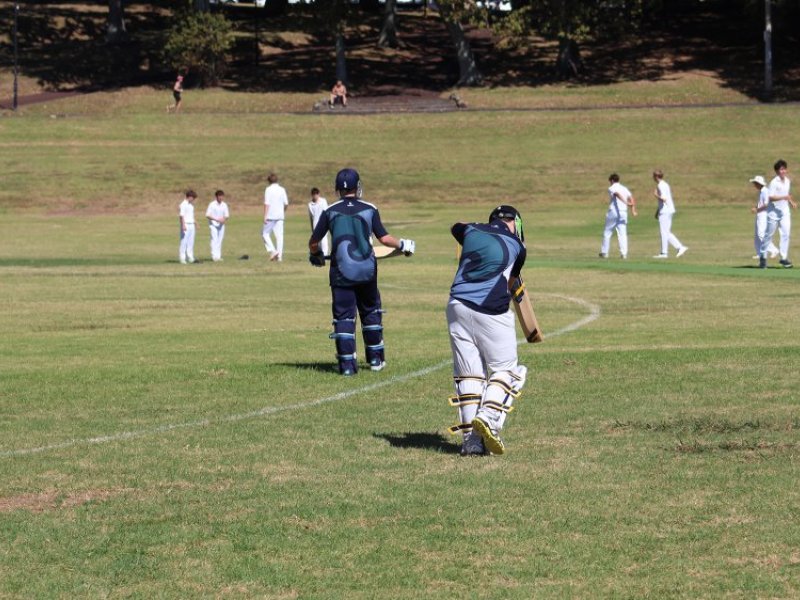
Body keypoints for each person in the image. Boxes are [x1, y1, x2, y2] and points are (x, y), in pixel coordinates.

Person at [308, 168, 415, 376]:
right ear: (357, 187)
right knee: (370, 313)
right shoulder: (370, 208)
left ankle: (348, 367)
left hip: (341, 273)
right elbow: (384, 239)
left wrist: (317, 255)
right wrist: (403, 244)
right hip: (367, 271)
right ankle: (376, 360)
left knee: (344, 318)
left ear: (337, 189)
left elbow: (314, 242)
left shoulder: (329, 211)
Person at [446, 205, 528, 457]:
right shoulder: (519, 247)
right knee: (509, 371)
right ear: (515, 223)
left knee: (469, 374)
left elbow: (455, 227)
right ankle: (488, 416)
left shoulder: (469, 229)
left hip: (456, 304)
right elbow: (512, 282)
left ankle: (471, 442)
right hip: (490, 308)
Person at [760, 159, 797, 269]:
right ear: (777, 171)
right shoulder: (773, 182)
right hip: (773, 212)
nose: (783, 171)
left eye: (784, 169)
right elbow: (770, 197)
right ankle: (763, 257)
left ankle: (783, 258)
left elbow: (786, 194)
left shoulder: (787, 181)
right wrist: (783, 198)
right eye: (781, 169)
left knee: (786, 234)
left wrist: (791, 202)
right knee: (769, 235)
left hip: (784, 211)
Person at [652, 169, 688, 259]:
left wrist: (656, 195)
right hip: (668, 210)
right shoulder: (665, 184)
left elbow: (663, 199)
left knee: (664, 232)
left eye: (653, 176)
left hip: (665, 211)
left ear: (656, 177)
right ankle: (680, 247)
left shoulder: (660, 185)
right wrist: (657, 211)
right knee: (666, 232)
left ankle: (664, 253)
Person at [600, 173, 637, 259]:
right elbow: (632, 198)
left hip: (614, 212)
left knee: (607, 232)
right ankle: (624, 254)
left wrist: (626, 202)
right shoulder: (624, 188)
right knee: (622, 233)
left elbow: (616, 194)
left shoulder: (612, 187)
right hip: (623, 212)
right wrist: (633, 210)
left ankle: (604, 252)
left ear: (612, 180)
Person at [750, 175, 779, 261]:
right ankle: (760, 253)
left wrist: (757, 209)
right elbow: (761, 203)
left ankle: (774, 250)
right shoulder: (761, 191)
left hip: (763, 214)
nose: (754, 185)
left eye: (755, 183)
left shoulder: (765, 191)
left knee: (761, 234)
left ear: (759, 184)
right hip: (760, 213)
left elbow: (766, 205)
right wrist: (756, 207)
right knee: (756, 235)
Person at [262, 173, 289, 262]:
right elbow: (286, 204)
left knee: (265, 234)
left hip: (270, 215)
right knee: (279, 236)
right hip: (280, 216)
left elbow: (267, 203)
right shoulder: (282, 189)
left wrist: (265, 216)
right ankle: (279, 257)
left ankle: (273, 251)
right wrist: (282, 212)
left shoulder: (268, 189)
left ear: (269, 181)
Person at [206, 189, 230, 262]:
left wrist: (224, 219)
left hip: (221, 225)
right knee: (214, 239)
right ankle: (214, 256)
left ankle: (218, 256)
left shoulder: (224, 204)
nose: (221, 198)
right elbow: (207, 215)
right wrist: (216, 219)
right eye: (219, 196)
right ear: (216, 197)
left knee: (220, 240)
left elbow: (226, 215)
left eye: (222, 196)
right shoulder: (212, 204)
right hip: (213, 225)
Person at [307, 187, 330, 257]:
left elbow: (326, 212)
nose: (315, 196)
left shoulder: (323, 201)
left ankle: (325, 254)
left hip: (323, 223)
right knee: (317, 241)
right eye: (313, 194)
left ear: (319, 194)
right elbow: (311, 217)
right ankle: (319, 254)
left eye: (316, 194)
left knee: (324, 240)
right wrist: (312, 227)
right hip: (315, 224)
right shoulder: (310, 205)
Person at [178, 189, 197, 264]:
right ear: (189, 197)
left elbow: (191, 216)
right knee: (184, 242)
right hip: (186, 225)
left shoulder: (191, 205)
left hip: (191, 224)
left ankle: (190, 257)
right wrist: (183, 225)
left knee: (191, 242)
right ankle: (182, 258)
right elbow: (181, 216)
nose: (193, 199)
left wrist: (195, 223)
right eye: (193, 198)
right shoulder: (183, 204)